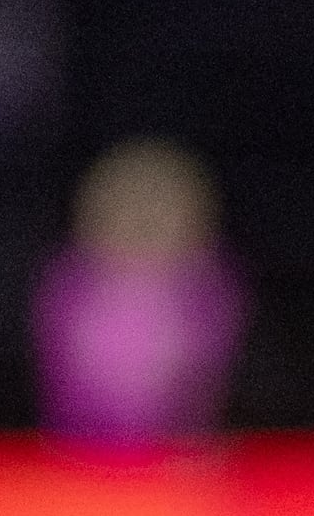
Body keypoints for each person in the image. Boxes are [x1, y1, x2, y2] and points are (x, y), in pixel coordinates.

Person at [31, 137, 247, 443]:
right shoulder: (68, 282)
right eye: (127, 206)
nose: (144, 221)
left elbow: (205, 386)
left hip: (177, 452)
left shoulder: (210, 287)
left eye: (161, 208)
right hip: (81, 451)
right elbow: (60, 382)